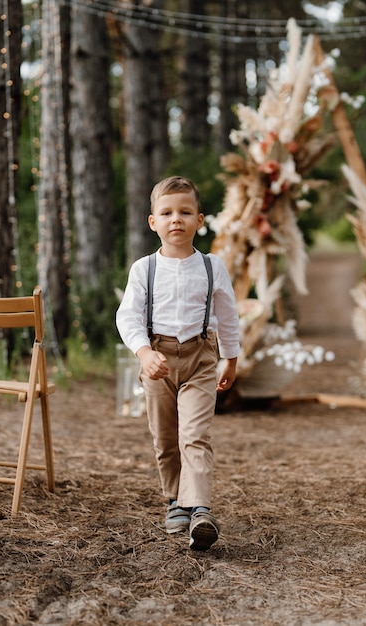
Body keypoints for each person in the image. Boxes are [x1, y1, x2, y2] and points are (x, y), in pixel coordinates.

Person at [116, 175, 240, 551]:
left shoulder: (211, 266)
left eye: (185, 212)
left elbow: (228, 314)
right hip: (158, 360)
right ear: (152, 221)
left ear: (199, 220)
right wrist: (143, 352)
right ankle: (175, 501)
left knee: (195, 436)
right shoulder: (143, 269)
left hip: (202, 357)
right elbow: (128, 317)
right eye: (167, 213)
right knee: (166, 438)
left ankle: (200, 508)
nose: (176, 220)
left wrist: (230, 359)